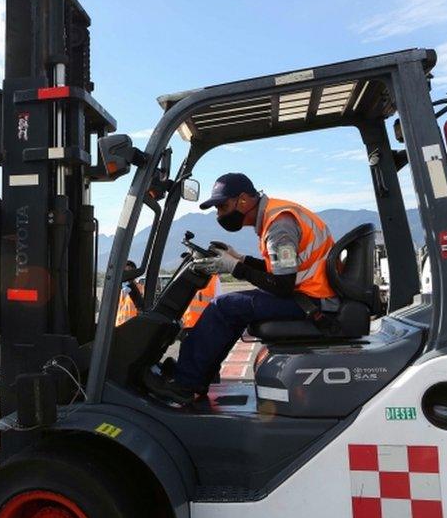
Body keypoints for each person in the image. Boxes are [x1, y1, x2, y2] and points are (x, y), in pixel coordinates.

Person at [144, 173, 336, 404]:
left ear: (243, 200)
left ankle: (185, 383)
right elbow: (279, 269)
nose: (220, 214)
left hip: (311, 300)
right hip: (307, 294)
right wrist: (240, 258)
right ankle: (196, 377)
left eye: (223, 206)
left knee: (224, 306)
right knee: (231, 309)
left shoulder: (279, 226)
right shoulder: (275, 218)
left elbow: (283, 285)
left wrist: (235, 268)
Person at [116, 260, 144, 326]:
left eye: (130, 272)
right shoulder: (116, 288)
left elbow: (141, 306)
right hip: (119, 325)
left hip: (131, 325)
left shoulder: (137, 288)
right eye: (125, 272)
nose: (127, 276)